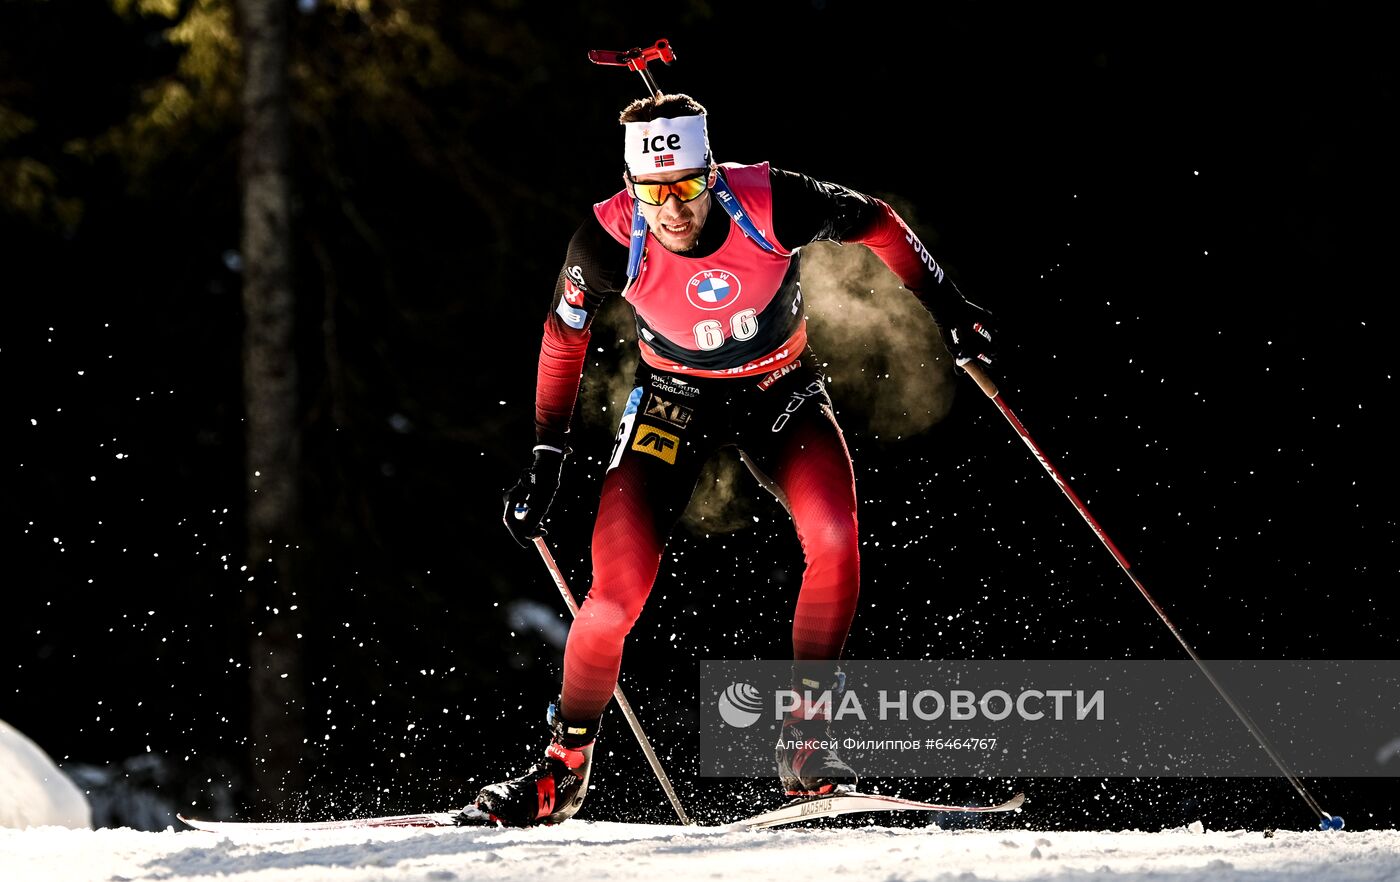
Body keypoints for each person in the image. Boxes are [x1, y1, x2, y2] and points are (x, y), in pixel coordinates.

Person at [477, 93, 995, 827]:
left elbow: (877, 221)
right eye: (653, 194)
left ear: (710, 172)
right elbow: (563, 338)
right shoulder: (604, 239)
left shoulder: (770, 199)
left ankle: (806, 745)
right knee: (614, 595)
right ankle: (563, 767)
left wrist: (949, 309)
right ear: (632, 189)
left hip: (779, 391)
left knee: (836, 540)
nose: (674, 209)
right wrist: (546, 452)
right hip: (672, 404)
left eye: (688, 186)